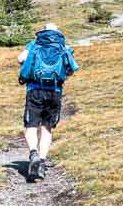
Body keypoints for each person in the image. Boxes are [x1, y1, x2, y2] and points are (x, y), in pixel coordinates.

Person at [17, 23, 80, 179]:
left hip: (34, 90)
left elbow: (20, 59)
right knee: (47, 128)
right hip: (54, 91)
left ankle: (33, 153)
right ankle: (42, 163)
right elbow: (70, 70)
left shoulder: (35, 43)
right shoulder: (62, 46)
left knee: (31, 126)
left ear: (43, 31)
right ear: (57, 33)